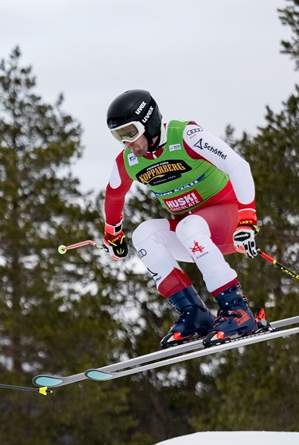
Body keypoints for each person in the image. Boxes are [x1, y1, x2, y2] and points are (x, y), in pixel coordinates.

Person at [103, 89, 262, 348]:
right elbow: (113, 195)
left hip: (229, 222)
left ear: (149, 122)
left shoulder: (186, 135)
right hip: (195, 235)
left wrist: (247, 219)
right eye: (119, 136)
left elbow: (238, 165)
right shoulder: (129, 160)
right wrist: (113, 233)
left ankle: (237, 310)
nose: (127, 142)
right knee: (144, 234)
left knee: (188, 226)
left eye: (130, 133)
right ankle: (194, 313)